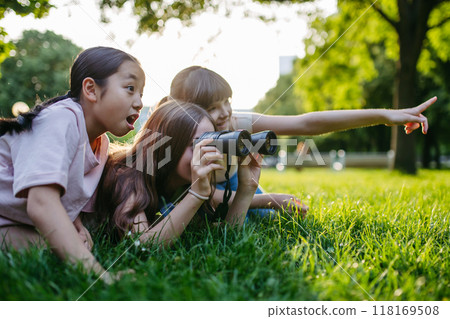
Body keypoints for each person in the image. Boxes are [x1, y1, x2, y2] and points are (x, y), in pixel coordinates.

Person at [166, 66, 437, 218]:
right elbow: (196, 195)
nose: (225, 112)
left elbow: (307, 123)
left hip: (236, 187)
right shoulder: (177, 142)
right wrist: (269, 199)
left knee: (266, 221)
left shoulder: (235, 122)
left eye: (227, 101)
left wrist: (384, 116)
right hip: (199, 196)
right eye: (213, 108)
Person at [0, 46, 146, 283]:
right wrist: (100, 275)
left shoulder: (101, 144)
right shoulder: (61, 118)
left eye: (141, 93)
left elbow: (62, 194)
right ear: (91, 89)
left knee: (55, 249)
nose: (139, 102)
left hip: (11, 221)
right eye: (130, 89)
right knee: (57, 252)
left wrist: (75, 225)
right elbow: (41, 202)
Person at [95, 100, 262, 247]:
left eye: (212, 143)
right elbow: (140, 246)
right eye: (196, 145)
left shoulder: (185, 185)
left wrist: (246, 190)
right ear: (164, 147)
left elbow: (226, 237)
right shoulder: (127, 175)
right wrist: (196, 195)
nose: (204, 153)